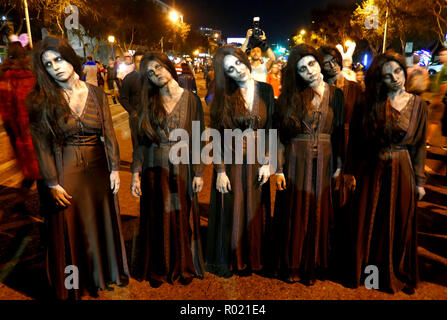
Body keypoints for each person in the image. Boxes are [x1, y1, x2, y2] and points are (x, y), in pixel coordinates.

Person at [27, 36, 129, 299]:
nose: (56, 67)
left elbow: (108, 131)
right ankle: (75, 284)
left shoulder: (95, 92)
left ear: (70, 57)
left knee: (99, 221)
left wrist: (115, 168)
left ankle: (100, 276)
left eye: (58, 59)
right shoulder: (41, 99)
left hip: (98, 168)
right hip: (66, 169)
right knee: (72, 227)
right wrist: (51, 182)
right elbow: (41, 145)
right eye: (48, 64)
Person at [348, 51, 427, 294]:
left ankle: (397, 274)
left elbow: (419, 146)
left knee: (399, 222)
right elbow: (357, 140)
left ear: (404, 71)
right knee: (371, 220)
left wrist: (420, 181)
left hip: (403, 169)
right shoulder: (369, 103)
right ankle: (369, 275)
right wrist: (351, 172)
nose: (394, 77)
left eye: (397, 71)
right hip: (372, 168)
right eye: (386, 75)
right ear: (379, 80)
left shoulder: (419, 105)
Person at [129, 52, 205, 287]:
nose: (155, 74)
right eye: (150, 72)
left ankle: (182, 265)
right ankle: (159, 268)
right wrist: (135, 173)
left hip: (183, 166)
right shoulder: (147, 101)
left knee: (180, 215)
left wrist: (199, 172)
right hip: (154, 167)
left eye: (159, 67)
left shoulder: (192, 101)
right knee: (157, 217)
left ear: (169, 67)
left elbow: (199, 139)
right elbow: (141, 142)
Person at [272, 44, 344, 285]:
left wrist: (339, 166)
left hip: (325, 159)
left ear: (318, 63)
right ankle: (292, 264)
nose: (309, 71)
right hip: (295, 159)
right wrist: (278, 169)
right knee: (295, 211)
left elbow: (339, 134)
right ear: (296, 74)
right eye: (302, 69)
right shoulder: (288, 99)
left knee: (319, 211)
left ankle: (314, 264)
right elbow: (279, 137)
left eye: (312, 63)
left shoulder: (337, 95)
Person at [206, 45, 275, 278]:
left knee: (255, 209)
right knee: (231, 211)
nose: (237, 70)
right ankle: (233, 259)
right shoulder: (223, 96)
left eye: (238, 62)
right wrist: (220, 171)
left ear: (245, 60)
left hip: (258, 162)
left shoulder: (266, 90)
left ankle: (254, 258)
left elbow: (271, 129)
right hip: (231, 160)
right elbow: (216, 135)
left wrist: (268, 162)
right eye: (230, 69)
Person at [0, 41, 41, 212]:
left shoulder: (5, 77)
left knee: (33, 169)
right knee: (41, 168)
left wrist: (12, 131)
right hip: (37, 129)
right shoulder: (32, 74)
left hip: (20, 131)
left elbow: (6, 109)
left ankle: (21, 199)